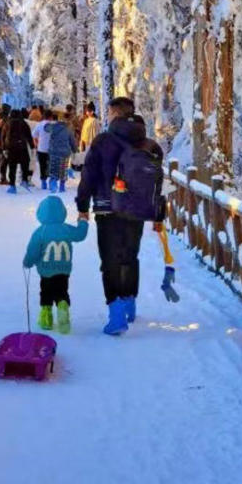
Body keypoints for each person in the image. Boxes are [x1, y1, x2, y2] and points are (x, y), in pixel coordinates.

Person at [76, 96, 175, 335]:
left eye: (109, 113)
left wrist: (82, 206)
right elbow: (157, 184)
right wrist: (159, 215)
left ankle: (116, 313)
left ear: (115, 114)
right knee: (130, 256)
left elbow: (88, 175)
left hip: (107, 208)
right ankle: (130, 303)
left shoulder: (102, 141)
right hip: (137, 210)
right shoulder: (150, 145)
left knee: (110, 261)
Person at [22, 193, 89, 334]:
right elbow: (80, 235)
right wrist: (82, 221)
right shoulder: (66, 229)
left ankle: (46, 318)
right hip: (64, 270)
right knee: (62, 291)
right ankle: (63, 309)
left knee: (46, 292)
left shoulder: (40, 232)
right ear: (62, 212)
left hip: (46, 271)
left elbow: (33, 251)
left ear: (41, 213)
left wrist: (28, 262)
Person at [45, 109, 77, 191]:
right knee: (63, 168)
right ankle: (62, 186)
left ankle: (53, 184)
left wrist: (50, 123)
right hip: (65, 152)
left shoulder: (53, 127)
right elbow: (72, 141)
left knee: (54, 168)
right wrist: (75, 149)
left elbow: (45, 128)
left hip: (54, 151)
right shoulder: (68, 129)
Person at [4, 108, 34, 193]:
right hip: (22, 147)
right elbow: (29, 136)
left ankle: (12, 186)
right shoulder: (24, 123)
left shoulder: (8, 123)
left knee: (12, 167)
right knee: (25, 164)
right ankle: (24, 180)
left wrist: (4, 148)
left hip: (11, 148)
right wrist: (32, 147)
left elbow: (3, 136)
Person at [33, 111, 53, 188]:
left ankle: (43, 182)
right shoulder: (53, 125)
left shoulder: (39, 125)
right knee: (51, 166)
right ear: (51, 117)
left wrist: (37, 143)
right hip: (51, 149)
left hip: (41, 149)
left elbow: (34, 135)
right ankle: (51, 182)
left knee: (42, 166)